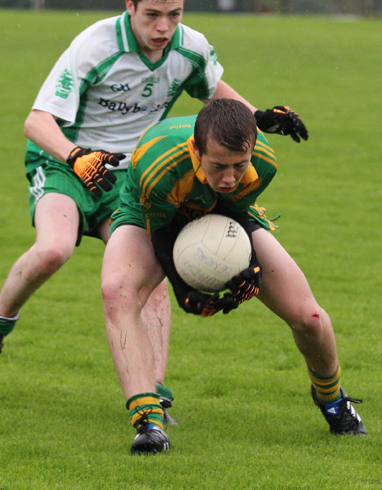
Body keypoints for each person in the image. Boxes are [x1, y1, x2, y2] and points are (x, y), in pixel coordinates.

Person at [0, 0, 308, 415]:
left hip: (134, 176)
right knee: (54, 248)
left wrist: (258, 118)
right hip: (67, 159)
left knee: (154, 276)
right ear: (130, 6)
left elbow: (214, 91)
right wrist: (77, 158)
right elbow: (36, 121)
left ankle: (153, 390)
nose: (164, 27)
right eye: (152, 16)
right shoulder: (94, 45)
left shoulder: (190, 48)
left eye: (174, 15)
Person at [101, 98, 366, 454]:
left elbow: (234, 212)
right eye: (219, 166)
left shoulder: (264, 164)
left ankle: (332, 398)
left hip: (223, 213)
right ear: (196, 149)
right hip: (151, 211)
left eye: (239, 166)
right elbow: (162, 233)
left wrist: (251, 271)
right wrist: (186, 292)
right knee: (116, 291)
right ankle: (148, 422)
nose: (229, 177)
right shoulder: (158, 166)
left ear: (252, 150)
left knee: (310, 318)